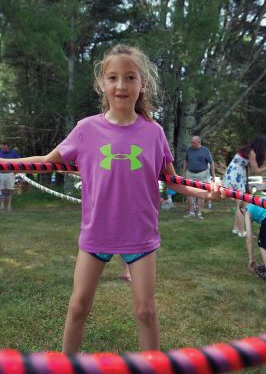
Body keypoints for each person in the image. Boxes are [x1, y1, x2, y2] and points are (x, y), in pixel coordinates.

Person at [0, 44, 222, 353]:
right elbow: (46, 160)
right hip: (97, 234)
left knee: (146, 311)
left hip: (140, 236)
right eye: (113, 77)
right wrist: (7, 164)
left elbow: (174, 181)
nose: (121, 85)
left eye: (130, 77)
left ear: (142, 84)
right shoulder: (86, 130)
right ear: (102, 84)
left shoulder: (154, 132)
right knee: (78, 307)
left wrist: (205, 190)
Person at [223, 136, 266, 237]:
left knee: (240, 202)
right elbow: (256, 171)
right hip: (235, 175)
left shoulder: (249, 151)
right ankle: (242, 232)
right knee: (241, 204)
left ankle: (236, 229)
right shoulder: (252, 152)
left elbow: (252, 170)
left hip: (236, 174)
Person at [183, 135, 215, 219]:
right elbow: (186, 161)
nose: (192, 144)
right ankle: (191, 212)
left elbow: (211, 163)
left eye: (193, 142)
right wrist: (184, 173)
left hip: (202, 174)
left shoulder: (205, 150)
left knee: (201, 194)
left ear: (199, 142)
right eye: (191, 142)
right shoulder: (189, 150)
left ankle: (200, 213)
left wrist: (213, 175)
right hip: (190, 173)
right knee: (190, 193)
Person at [239, 201, 266, 280]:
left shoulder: (247, 210)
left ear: (242, 210)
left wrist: (251, 258)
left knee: (263, 245)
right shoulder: (258, 200)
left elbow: (249, 237)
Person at [0, 141, 20, 211]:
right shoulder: (0, 152)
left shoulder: (13, 153)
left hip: (10, 174)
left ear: (7, 146)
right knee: (2, 190)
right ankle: (1, 206)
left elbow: (19, 162)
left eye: (4, 146)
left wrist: (15, 172)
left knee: (9, 190)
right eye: (2, 146)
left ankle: (9, 206)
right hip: (1, 174)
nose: (3, 147)